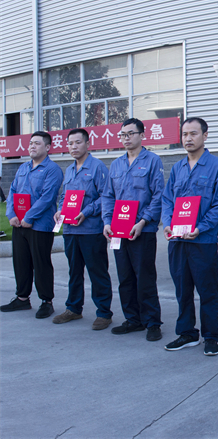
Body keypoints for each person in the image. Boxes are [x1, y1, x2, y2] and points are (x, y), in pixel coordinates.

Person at [161, 117, 218, 356]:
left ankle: (211, 336)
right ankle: (187, 333)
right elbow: (167, 199)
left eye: (193, 133)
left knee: (207, 290)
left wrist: (201, 227)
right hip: (177, 240)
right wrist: (167, 224)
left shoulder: (216, 166)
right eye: (184, 134)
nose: (188, 138)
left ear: (205, 136)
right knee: (182, 289)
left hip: (203, 241)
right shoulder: (178, 167)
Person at [101, 118, 165, 341]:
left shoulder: (152, 161)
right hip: (119, 230)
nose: (126, 138)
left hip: (142, 230)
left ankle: (152, 322)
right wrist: (107, 221)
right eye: (123, 134)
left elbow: (158, 195)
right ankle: (133, 319)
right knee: (125, 277)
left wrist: (144, 221)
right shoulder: (116, 164)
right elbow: (108, 196)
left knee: (145, 277)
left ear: (142, 135)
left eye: (130, 133)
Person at [51, 128, 114, 330]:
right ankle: (73, 308)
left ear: (87, 144)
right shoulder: (69, 169)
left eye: (78, 142)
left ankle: (103, 313)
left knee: (97, 272)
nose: (73, 147)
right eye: (70, 143)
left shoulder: (97, 167)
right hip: (71, 231)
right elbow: (64, 196)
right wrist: (60, 210)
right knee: (74, 272)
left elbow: (105, 196)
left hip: (91, 231)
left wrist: (86, 212)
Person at [1, 131, 63, 318]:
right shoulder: (23, 167)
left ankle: (46, 302)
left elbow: (47, 197)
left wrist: (29, 217)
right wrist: (11, 214)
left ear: (48, 147)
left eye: (37, 143)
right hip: (19, 224)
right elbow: (12, 192)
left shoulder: (52, 169)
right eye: (30, 143)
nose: (32, 147)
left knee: (41, 263)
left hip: (40, 225)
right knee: (20, 262)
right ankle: (22, 298)